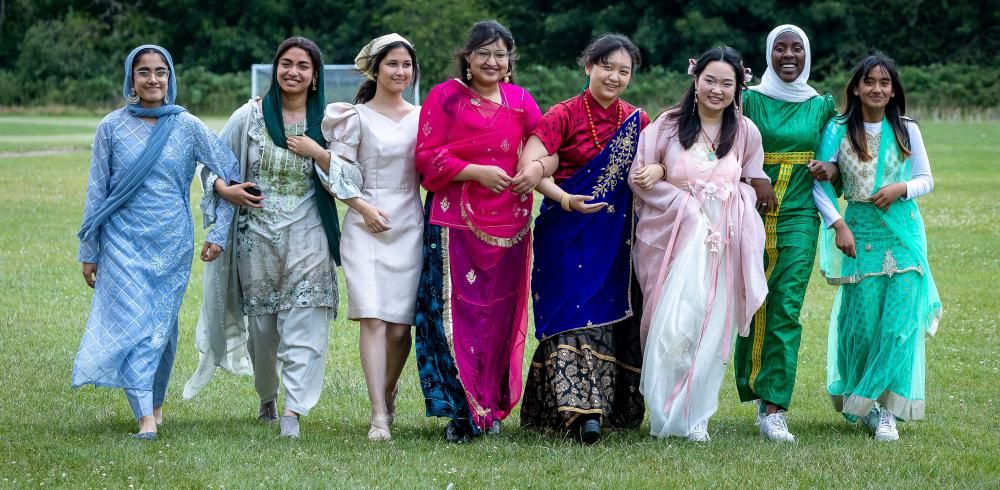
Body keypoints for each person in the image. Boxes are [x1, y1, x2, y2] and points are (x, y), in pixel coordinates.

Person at [183, 36, 348, 439]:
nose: (293, 72)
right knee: (264, 333)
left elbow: (352, 178)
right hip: (255, 239)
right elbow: (214, 164)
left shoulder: (327, 122)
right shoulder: (249, 117)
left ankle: (294, 409)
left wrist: (320, 152)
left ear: (314, 77)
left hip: (309, 234)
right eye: (286, 63)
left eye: (303, 66)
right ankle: (267, 395)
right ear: (275, 69)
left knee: (307, 320)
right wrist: (225, 189)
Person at [73, 44, 238, 440]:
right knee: (132, 321)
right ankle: (145, 417)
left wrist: (218, 232)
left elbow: (229, 171)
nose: (152, 79)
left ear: (170, 77)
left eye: (160, 71)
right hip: (121, 240)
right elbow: (98, 192)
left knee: (160, 327)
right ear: (131, 77)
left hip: (171, 243)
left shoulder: (187, 125)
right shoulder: (110, 127)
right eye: (143, 72)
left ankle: (154, 403)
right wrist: (89, 250)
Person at [512, 33, 650, 444]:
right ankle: (581, 411)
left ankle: (600, 411)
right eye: (607, 66)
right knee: (571, 311)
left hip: (614, 240)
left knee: (609, 311)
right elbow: (531, 164)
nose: (614, 76)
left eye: (623, 70)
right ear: (588, 66)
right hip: (566, 232)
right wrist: (565, 198)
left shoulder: (638, 122)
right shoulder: (563, 114)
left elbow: (662, 162)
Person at [630, 47, 768, 442]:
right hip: (676, 241)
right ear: (695, 79)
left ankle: (697, 417)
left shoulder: (745, 132)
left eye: (727, 83)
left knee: (711, 329)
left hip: (722, 245)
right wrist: (677, 193)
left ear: (739, 87)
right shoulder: (668, 126)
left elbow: (750, 185)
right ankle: (664, 412)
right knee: (673, 326)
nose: (717, 90)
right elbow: (640, 180)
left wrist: (741, 201)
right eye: (710, 80)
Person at [413, 20, 541, 443]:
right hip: (454, 224)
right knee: (456, 315)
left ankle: (491, 409)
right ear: (467, 58)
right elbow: (426, 158)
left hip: (509, 227)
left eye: (500, 54)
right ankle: (463, 413)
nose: (492, 61)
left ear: (510, 61)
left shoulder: (522, 101)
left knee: (498, 318)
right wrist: (475, 172)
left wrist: (535, 169)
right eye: (483, 52)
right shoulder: (445, 97)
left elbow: (547, 148)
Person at [813, 52, 941, 442]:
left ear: (893, 89)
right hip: (860, 232)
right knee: (863, 326)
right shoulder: (837, 128)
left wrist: (902, 188)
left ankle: (886, 410)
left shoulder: (905, 128)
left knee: (900, 328)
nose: (877, 89)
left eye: (885, 83)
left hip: (903, 232)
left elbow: (925, 179)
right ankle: (863, 402)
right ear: (855, 87)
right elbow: (820, 182)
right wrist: (837, 225)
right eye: (869, 81)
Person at [731, 24, 837, 442]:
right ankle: (752, 387)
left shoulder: (822, 106)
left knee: (786, 308)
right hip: (748, 216)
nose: (788, 55)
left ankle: (774, 408)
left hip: (798, 217)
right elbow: (726, 149)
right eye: (780, 48)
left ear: (807, 54)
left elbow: (840, 156)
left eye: (796, 49)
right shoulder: (749, 100)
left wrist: (833, 168)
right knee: (750, 303)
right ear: (769, 54)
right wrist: (752, 180)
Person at [322, 33, 422, 441]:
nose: (400, 71)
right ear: (376, 69)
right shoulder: (354, 116)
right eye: (392, 64)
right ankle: (378, 413)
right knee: (373, 318)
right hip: (365, 223)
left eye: (406, 65)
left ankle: (389, 390)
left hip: (409, 221)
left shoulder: (422, 116)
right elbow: (338, 175)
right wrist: (363, 209)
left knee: (401, 327)